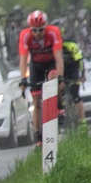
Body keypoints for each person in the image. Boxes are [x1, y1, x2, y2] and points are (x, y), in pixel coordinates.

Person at [18, 9, 64, 144]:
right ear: (29, 29)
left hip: (51, 63)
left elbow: (59, 57)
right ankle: (38, 134)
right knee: (36, 100)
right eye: (34, 30)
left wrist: (60, 77)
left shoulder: (53, 32)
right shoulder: (25, 35)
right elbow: (23, 58)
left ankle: (60, 106)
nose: (37, 33)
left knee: (53, 76)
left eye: (41, 30)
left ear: (46, 27)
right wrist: (23, 79)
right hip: (36, 65)